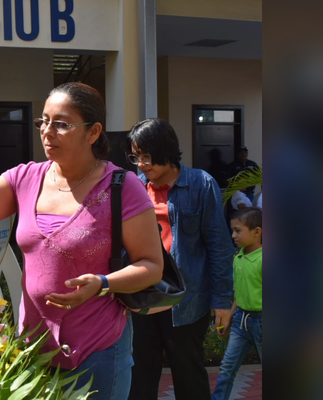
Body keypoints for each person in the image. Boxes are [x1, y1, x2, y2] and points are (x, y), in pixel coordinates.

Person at [0, 82, 164, 400]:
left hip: (97, 351)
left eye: (62, 124)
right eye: (44, 121)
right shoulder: (26, 179)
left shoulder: (122, 187)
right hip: (34, 351)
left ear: (94, 132)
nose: (48, 131)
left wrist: (101, 283)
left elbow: (151, 266)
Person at [125, 118, 234, 400]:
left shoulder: (200, 183)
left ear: (167, 151)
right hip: (143, 297)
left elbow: (219, 245)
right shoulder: (133, 187)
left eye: (146, 156)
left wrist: (222, 299)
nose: (141, 164)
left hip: (186, 299)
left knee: (189, 376)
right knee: (140, 376)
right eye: (135, 156)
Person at [212, 207, 262, 400]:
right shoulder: (238, 257)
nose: (233, 235)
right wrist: (230, 317)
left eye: (238, 231)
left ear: (257, 232)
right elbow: (237, 294)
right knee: (227, 367)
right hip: (241, 320)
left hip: (262, 322)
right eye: (232, 230)